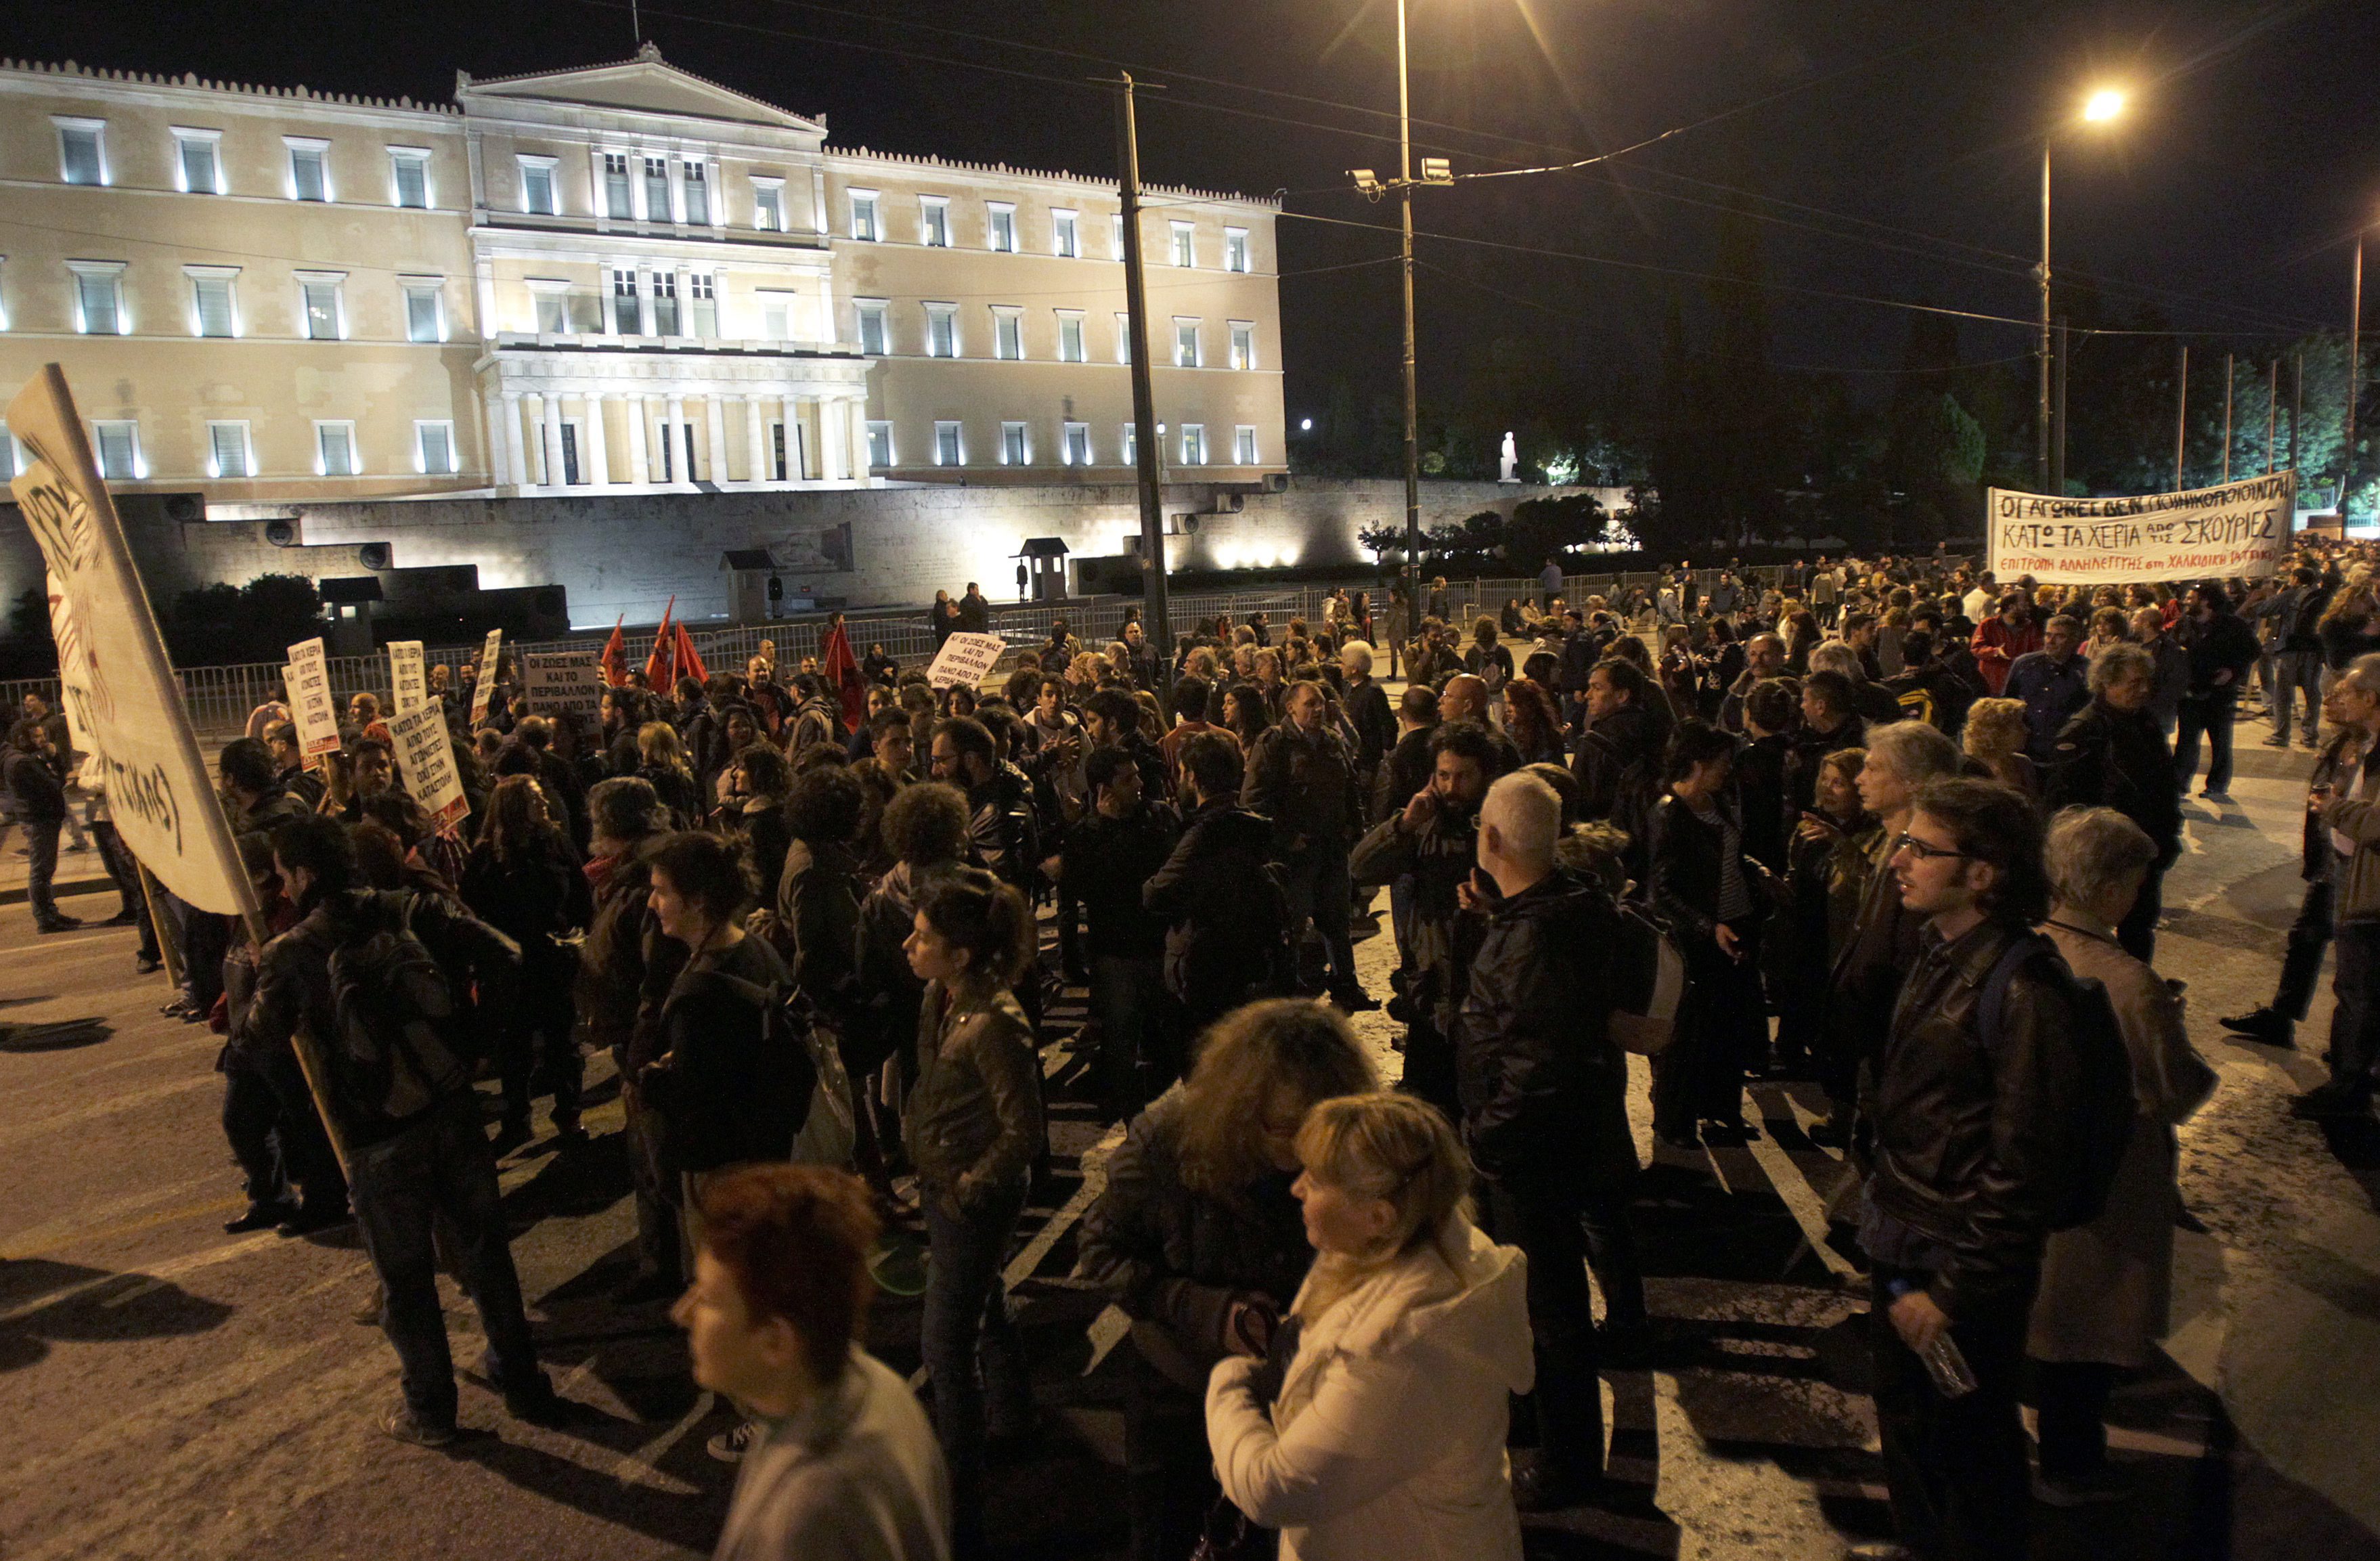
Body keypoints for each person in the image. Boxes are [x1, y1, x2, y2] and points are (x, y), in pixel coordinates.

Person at [239, 814, 563, 1445]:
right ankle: (522, 1382)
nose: (280, 885)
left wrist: (261, 983)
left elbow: (258, 1039)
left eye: (283, 874)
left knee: (407, 1281)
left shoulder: (293, 951)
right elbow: (507, 954)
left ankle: (432, 1411)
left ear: (303, 875)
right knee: (486, 1256)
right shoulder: (415, 908)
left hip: (375, 1133)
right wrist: (473, 1043)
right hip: (453, 1109)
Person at [1860, 778, 2083, 1561]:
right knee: (1908, 1419)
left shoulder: (2026, 988)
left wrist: (1956, 1290)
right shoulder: (1939, 947)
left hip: (1954, 1265)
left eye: (1922, 848)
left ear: (1984, 872)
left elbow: (2025, 1166)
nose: (1899, 858)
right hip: (1900, 1236)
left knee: (1970, 1443)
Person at [1080, 999, 1379, 1561]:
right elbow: (1100, 1252)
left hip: (1294, 1399)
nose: (1305, 1152)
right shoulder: (1165, 1144)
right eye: (1288, 1130)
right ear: (1242, 1107)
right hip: (1180, 1391)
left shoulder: (1339, 1155)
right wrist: (1210, 1312)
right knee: (1167, 1535)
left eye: (1320, 1129)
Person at [1205, 1092, 1532, 1560]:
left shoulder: (1403, 1353)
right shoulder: (1406, 1246)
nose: (1297, 1189)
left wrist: (1230, 1383)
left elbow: (1275, 1489)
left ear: (1379, 1216)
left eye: (1316, 1182)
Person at [1453, 770, 1642, 1507]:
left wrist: (1486, 1139)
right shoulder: (1562, 903)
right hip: (1558, 1138)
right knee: (1533, 1302)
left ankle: (1567, 1462)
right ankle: (1536, 1422)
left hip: (1529, 1154)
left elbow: (1534, 1061)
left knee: (1551, 1309)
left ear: (1493, 838)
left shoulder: (1534, 934)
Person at [2029, 808, 2217, 1508]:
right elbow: (2176, 1089)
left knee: (2045, 1306)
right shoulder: (2130, 982)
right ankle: (2070, 1466)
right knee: (2085, 1323)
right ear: (2112, 887)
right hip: (2112, 1172)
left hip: (2035, 1159)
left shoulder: (2027, 947)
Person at [676, 1164, 951, 1561]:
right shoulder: (875, 1383)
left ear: (777, 1340)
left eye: (708, 1298)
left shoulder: (802, 1522)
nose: (682, 1313)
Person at [901, 866, 1044, 1558]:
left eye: (924, 936)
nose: (909, 944)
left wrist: (967, 1185)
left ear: (961, 954)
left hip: (972, 1197)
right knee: (985, 1300)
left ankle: (962, 1509)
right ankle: (1015, 1416)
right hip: (944, 1184)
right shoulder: (942, 997)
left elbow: (1025, 1133)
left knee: (944, 1346)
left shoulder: (995, 1023)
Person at [1822, 720, 1965, 1149]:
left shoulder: (1926, 866)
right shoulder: (1891, 846)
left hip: (1894, 1051)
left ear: (1913, 781)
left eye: (1873, 769)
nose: (1859, 779)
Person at [2223, 669, 2369, 1050]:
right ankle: (2283, 1017)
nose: (2330, 702)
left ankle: (2354, 1062)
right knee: (2306, 937)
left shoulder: (2368, 749)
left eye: (2341, 695)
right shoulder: (2344, 741)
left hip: (2360, 870)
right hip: (2333, 860)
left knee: (2357, 968)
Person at [1646, 720, 1771, 1147]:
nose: (1727, 770)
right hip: (1697, 939)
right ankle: (1674, 1122)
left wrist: (1755, 871)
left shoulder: (1715, 802)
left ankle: (1722, 1111)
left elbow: (1726, 854)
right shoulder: (1670, 814)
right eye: (1720, 762)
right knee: (1688, 1036)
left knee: (1728, 1026)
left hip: (1735, 927)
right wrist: (1707, 926)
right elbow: (1661, 891)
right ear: (1698, 764)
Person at [460, 775, 593, 1149]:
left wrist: (578, 934)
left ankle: (569, 1113)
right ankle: (517, 1119)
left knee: (562, 1042)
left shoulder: (554, 842)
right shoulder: (486, 857)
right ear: (516, 806)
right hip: (511, 969)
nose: (545, 803)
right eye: (536, 799)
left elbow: (580, 893)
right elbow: (475, 913)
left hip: (552, 961)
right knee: (514, 1047)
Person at [1051, 745, 1182, 1115]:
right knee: (1121, 1041)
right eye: (1128, 779)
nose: (1140, 783)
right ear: (1103, 789)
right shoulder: (1087, 834)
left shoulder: (1159, 817)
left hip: (1159, 945)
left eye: (1138, 774)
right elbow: (1082, 888)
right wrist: (1104, 828)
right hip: (1116, 953)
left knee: (1168, 1041)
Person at [1145, 731, 1289, 1036]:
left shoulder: (1204, 834)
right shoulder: (1255, 827)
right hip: (1250, 958)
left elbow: (1155, 894)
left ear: (1194, 777)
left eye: (1183, 772)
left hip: (1205, 965)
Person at [2046, 642, 2181, 960]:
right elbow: (2064, 804)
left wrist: (2169, 834)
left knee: (2140, 929)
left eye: (2147, 682)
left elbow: (2163, 784)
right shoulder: (2085, 731)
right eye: (2134, 683)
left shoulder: (2144, 722)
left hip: (2145, 846)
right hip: (2102, 853)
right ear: (2107, 682)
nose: (2144, 690)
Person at [1243, 681, 1369, 1011]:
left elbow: (1350, 788)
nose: (1318, 710)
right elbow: (1255, 800)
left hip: (1331, 849)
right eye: (1310, 704)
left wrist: (1355, 829)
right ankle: (1287, 993)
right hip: (1296, 857)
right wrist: (1286, 837)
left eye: (1322, 703)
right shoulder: (1275, 744)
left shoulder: (1331, 741)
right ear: (1291, 708)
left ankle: (1347, 985)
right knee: (1292, 926)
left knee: (1338, 923)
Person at [2299, 654, 2380, 1119]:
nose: (2338, 697)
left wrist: (2334, 809)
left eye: (2349, 691)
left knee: (2358, 988)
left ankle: (2347, 1092)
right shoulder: (2360, 742)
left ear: (2370, 699)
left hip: (2369, 884)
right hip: (2353, 870)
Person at [2172, 581, 2261, 801]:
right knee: (2186, 743)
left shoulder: (2232, 625)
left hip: (2220, 695)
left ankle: (2217, 785)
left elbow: (2253, 650)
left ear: (2206, 601)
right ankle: (2179, 785)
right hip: (2190, 693)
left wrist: (2234, 671)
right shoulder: (2184, 624)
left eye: (2191, 598)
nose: (2186, 602)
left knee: (2220, 742)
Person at [5, 722, 76, 933]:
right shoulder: (22, 763)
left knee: (43, 871)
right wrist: (55, 759)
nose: (43, 741)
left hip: (38, 818)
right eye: (37, 737)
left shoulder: (21, 758)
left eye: (42, 735)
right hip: (39, 821)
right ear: (22, 739)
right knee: (41, 872)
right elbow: (54, 784)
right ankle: (46, 919)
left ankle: (50, 913)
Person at [2002, 613, 2089, 764]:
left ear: (2075, 640)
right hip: (2026, 748)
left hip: (2065, 751)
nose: (2051, 641)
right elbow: (2007, 703)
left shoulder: (2086, 670)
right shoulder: (2024, 664)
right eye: (2048, 635)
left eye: (2059, 636)